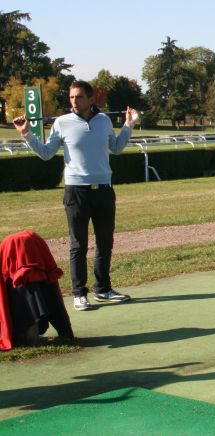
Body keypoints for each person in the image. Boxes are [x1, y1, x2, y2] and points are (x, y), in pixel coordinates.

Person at [13, 80, 138, 311]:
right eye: (71, 97)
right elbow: (46, 153)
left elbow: (117, 148)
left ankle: (103, 289)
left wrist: (129, 125)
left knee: (105, 242)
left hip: (103, 190)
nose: (74, 101)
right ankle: (79, 293)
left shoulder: (104, 121)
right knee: (78, 245)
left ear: (92, 99)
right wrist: (27, 134)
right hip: (76, 192)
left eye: (79, 97)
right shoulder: (61, 123)